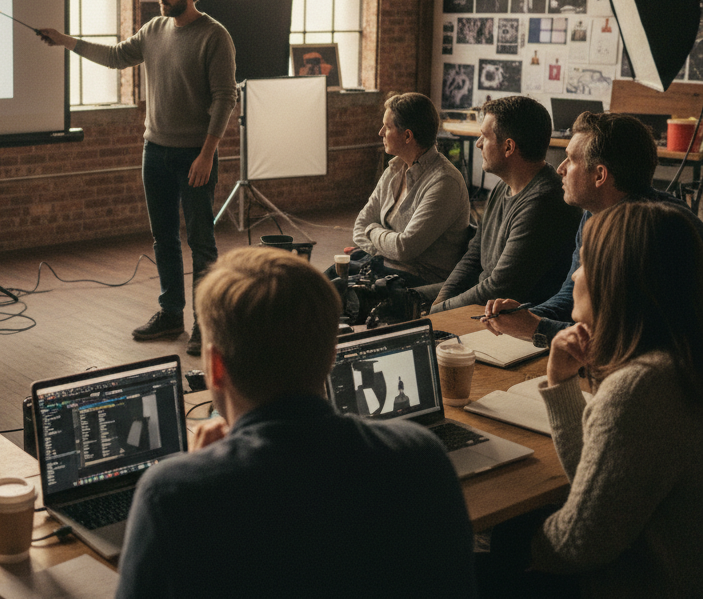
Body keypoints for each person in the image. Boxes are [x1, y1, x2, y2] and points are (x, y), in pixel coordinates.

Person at [116, 246, 476, 598]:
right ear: (332, 355)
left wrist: (197, 472)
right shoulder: (422, 456)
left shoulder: (171, 496)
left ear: (214, 366)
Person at [479, 201, 703, 597]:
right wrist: (562, 383)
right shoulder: (678, 359)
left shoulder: (640, 387)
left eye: (582, 265)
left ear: (613, 280)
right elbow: (600, 481)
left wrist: (499, 545)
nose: (576, 277)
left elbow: (577, 544)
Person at [38, 0, 237, 355]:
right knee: (163, 238)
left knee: (201, 242)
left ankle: (204, 322)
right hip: (155, 150)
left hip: (194, 156)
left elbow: (225, 97)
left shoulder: (215, 36)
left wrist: (207, 154)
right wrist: (65, 40)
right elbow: (115, 56)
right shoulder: (154, 30)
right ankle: (170, 313)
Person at [479, 111, 703, 346]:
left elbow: (626, 340)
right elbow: (571, 295)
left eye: (571, 160)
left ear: (599, 175)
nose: (560, 169)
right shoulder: (593, 213)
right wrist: (526, 316)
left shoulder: (655, 234)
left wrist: (537, 328)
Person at [418, 96, 580, 312]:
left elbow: (499, 288)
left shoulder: (542, 203)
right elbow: (474, 255)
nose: (478, 143)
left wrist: (439, 312)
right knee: (401, 299)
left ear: (508, 147)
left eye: (484, 136)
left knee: (409, 318)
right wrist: (442, 300)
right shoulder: (504, 186)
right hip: (484, 295)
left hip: (507, 315)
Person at [346, 92, 470, 286]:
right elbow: (359, 226)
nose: (380, 133)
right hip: (383, 265)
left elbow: (403, 248)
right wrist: (383, 247)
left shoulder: (444, 182)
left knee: (330, 296)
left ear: (407, 136)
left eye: (387, 127)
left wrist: (372, 230)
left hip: (416, 279)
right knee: (321, 282)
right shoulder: (395, 169)